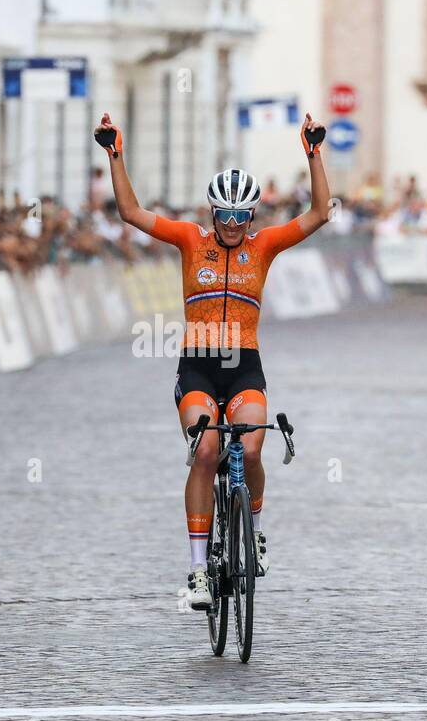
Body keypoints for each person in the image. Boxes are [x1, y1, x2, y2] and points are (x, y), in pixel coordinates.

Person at [93, 110, 331, 611]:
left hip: (244, 365)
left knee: (252, 447)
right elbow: (132, 213)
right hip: (199, 366)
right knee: (205, 452)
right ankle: (199, 571)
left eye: (240, 217)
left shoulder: (262, 246)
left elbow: (319, 213)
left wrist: (313, 156)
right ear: (211, 213)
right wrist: (116, 155)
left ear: (251, 218)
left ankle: (257, 534)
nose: (230, 225)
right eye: (223, 215)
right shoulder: (188, 240)